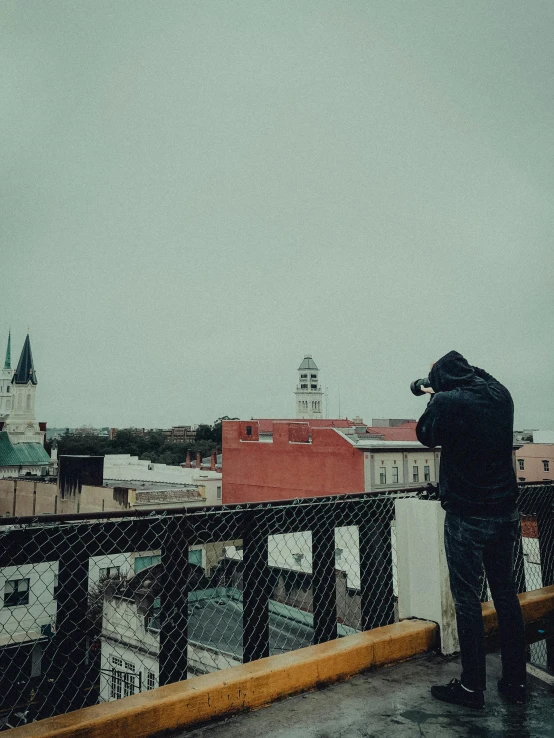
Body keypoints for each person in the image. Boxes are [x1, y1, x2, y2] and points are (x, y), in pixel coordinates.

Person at [416, 350, 527, 709]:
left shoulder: (447, 402)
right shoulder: (500, 394)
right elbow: (479, 376)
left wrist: (433, 393)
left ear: (443, 380)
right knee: (506, 597)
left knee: (468, 602)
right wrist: (446, 379)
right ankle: (515, 680)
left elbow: (425, 436)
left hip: (466, 516)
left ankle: (471, 686)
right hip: (505, 514)